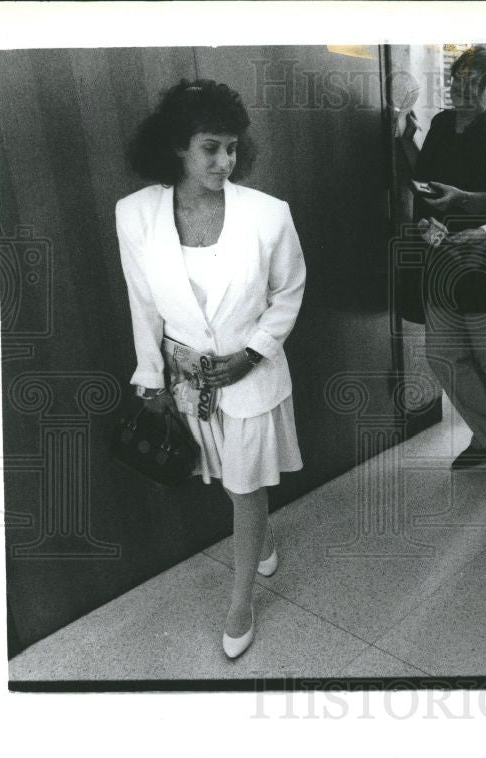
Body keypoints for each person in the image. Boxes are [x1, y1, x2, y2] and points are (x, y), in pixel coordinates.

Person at [116, 79, 306, 659]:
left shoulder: (269, 215)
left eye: (232, 147)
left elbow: (289, 291)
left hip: (252, 378)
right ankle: (263, 537)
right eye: (210, 148)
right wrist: (151, 377)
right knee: (225, 479)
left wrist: (251, 354)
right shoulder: (135, 214)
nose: (225, 161)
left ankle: (240, 599)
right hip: (186, 381)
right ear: (178, 146)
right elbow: (142, 302)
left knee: (246, 487)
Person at [409, 46, 486, 470]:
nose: (460, 90)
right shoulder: (439, 124)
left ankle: (485, 439)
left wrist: (462, 201)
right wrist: (425, 221)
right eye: (455, 81)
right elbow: (422, 179)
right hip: (441, 257)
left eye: (471, 83)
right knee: (442, 354)